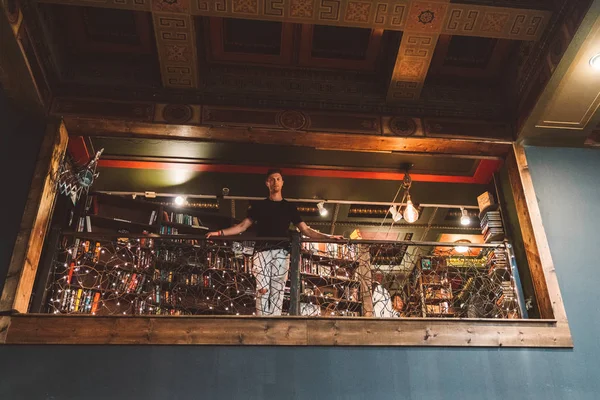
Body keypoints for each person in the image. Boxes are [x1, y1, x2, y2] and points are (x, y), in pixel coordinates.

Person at [207, 168, 343, 316]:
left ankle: (275, 327)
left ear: (282, 182)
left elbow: (306, 230)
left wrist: (329, 237)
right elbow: (242, 227)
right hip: (261, 252)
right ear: (267, 183)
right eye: (272, 179)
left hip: (281, 253)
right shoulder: (259, 206)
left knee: (277, 292)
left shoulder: (289, 207)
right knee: (263, 290)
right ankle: (262, 324)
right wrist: (219, 233)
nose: (275, 182)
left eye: (278, 179)